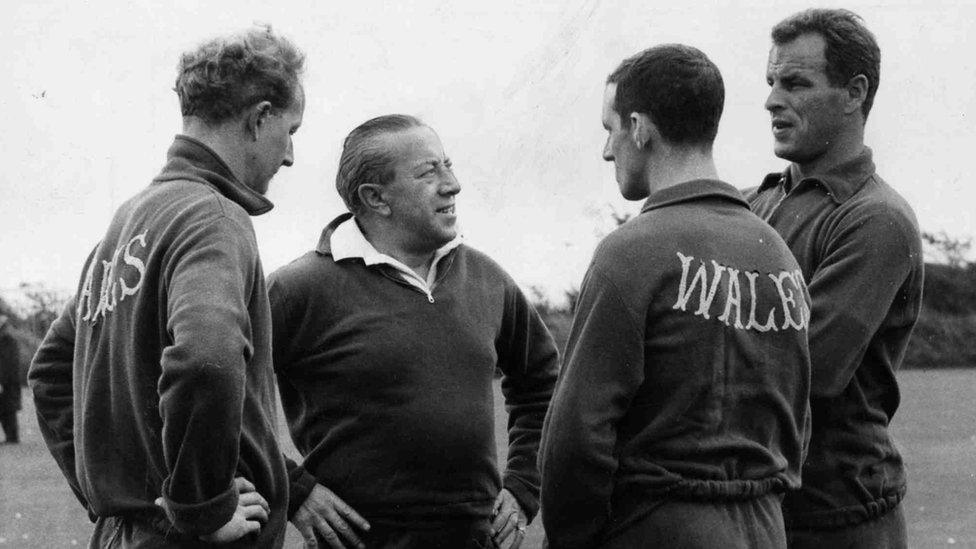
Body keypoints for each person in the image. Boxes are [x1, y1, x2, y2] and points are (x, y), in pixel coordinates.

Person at [28, 25, 305, 548]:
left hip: (126, 534)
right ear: (260, 117)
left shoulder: (130, 218)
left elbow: (48, 372)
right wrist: (200, 508)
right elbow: (207, 358)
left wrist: (112, 496)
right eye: (292, 129)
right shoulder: (212, 216)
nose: (290, 155)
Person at [539, 44, 812, 549]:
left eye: (610, 128)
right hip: (767, 528)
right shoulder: (778, 254)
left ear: (640, 128)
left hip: (659, 528)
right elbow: (796, 419)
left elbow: (576, 437)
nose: (606, 150)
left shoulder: (631, 251)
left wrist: (573, 538)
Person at [269, 114, 559, 549]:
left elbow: (543, 384)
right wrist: (294, 490)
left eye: (448, 164)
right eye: (430, 172)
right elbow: (216, 398)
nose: (453, 184)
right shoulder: (298, 288)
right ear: (376, 198)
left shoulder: (487, 277)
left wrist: (522, 487)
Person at [748, 9, 923, 548]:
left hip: (840, 519)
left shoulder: (876, 218)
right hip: (759, 509)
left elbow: (811, 366)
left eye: (796, 83)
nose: (773, 100)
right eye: (772, 82)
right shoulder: (753, 204)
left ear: (854, 93)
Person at [0, 314, 22, 444]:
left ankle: (12, 437)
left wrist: (1, 381)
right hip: (6, 381)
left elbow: (8, 364)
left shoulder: (9, 342)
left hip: (8, 382)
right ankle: (10, 437)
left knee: (8, 409)